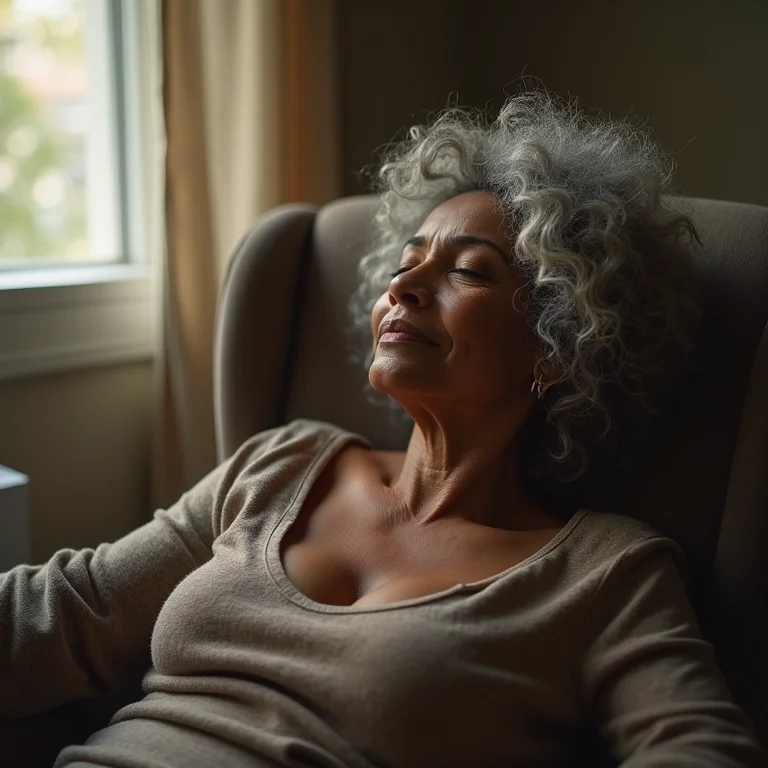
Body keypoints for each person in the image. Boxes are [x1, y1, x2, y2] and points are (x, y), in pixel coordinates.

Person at [1, 87, 766, 768]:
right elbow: (72, 612)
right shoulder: (281, 462)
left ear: (559, 344)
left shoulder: (605, 574)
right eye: (406, 261)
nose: (403, 285)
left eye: (468, 270)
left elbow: (697, 744)